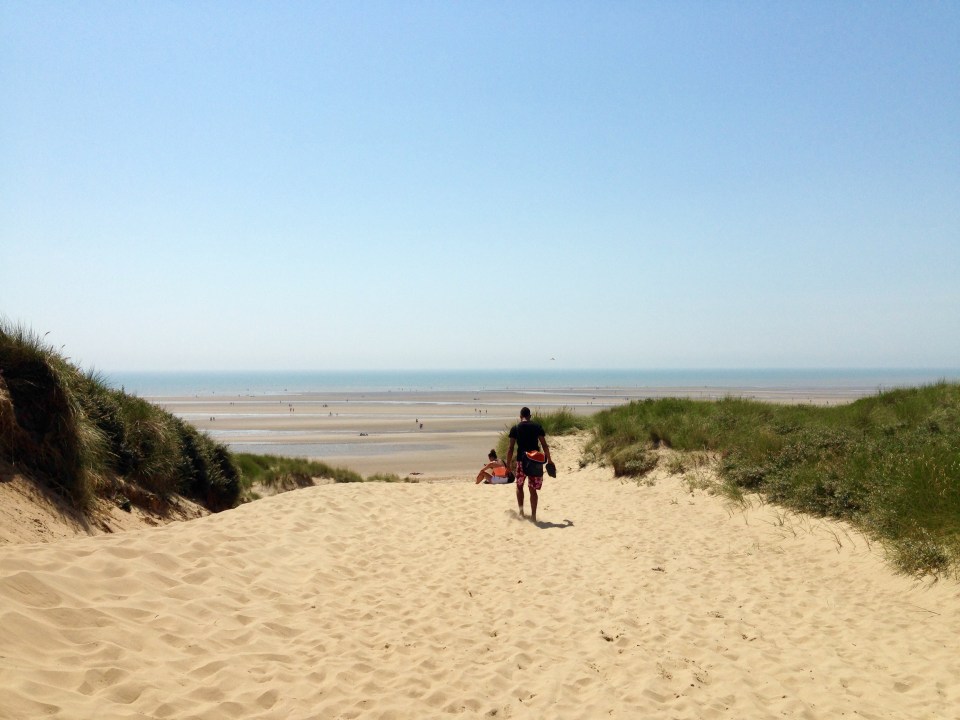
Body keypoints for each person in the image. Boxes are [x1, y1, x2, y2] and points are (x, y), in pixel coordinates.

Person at [506, 406, 552, 522]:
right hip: (535, 462)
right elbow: (544, 445)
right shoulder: (537, 427)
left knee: (519, 486)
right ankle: (533, 516)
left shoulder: (515, 428)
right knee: (533, 490)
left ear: (520, 417)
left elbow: (510, 448)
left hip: (522, 461)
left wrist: (507, 464)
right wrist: (550, 460)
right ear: (530, 416)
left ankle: (521, 512)